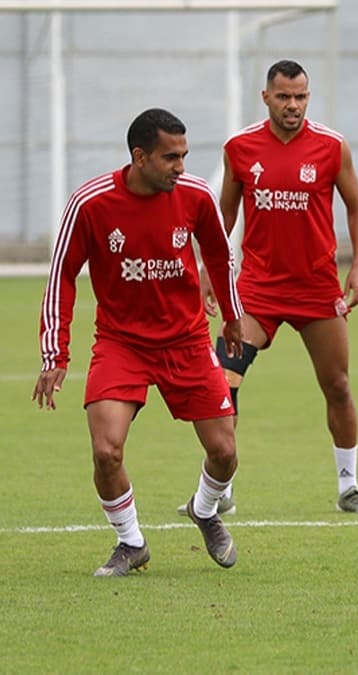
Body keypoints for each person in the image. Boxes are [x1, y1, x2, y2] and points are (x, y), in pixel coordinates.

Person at [34, 108, 245, 576]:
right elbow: (61, 275)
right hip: (121, 344)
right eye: (171, 157)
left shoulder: (196, 196)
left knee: (225, 452)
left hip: (187, 340)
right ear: (140, 156)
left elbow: (219, 254)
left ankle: (205, 510)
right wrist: (55, 353)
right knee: (106, 451)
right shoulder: (90, 203)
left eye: (184, 155)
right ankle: (131, 542)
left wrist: (232, 317)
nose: (181, 167)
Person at [190, 59, 358, 515]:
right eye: (283, 97)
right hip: (257, 289)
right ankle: (220, 490)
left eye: (300, 97)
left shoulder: (332, 147)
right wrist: (209, 269)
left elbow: (356, 207)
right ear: (266, 98)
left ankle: (349, 487)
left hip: (317, 289)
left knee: (337, 385)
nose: (292, 105)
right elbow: (224, 215)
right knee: (224, 379)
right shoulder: (239, 147)